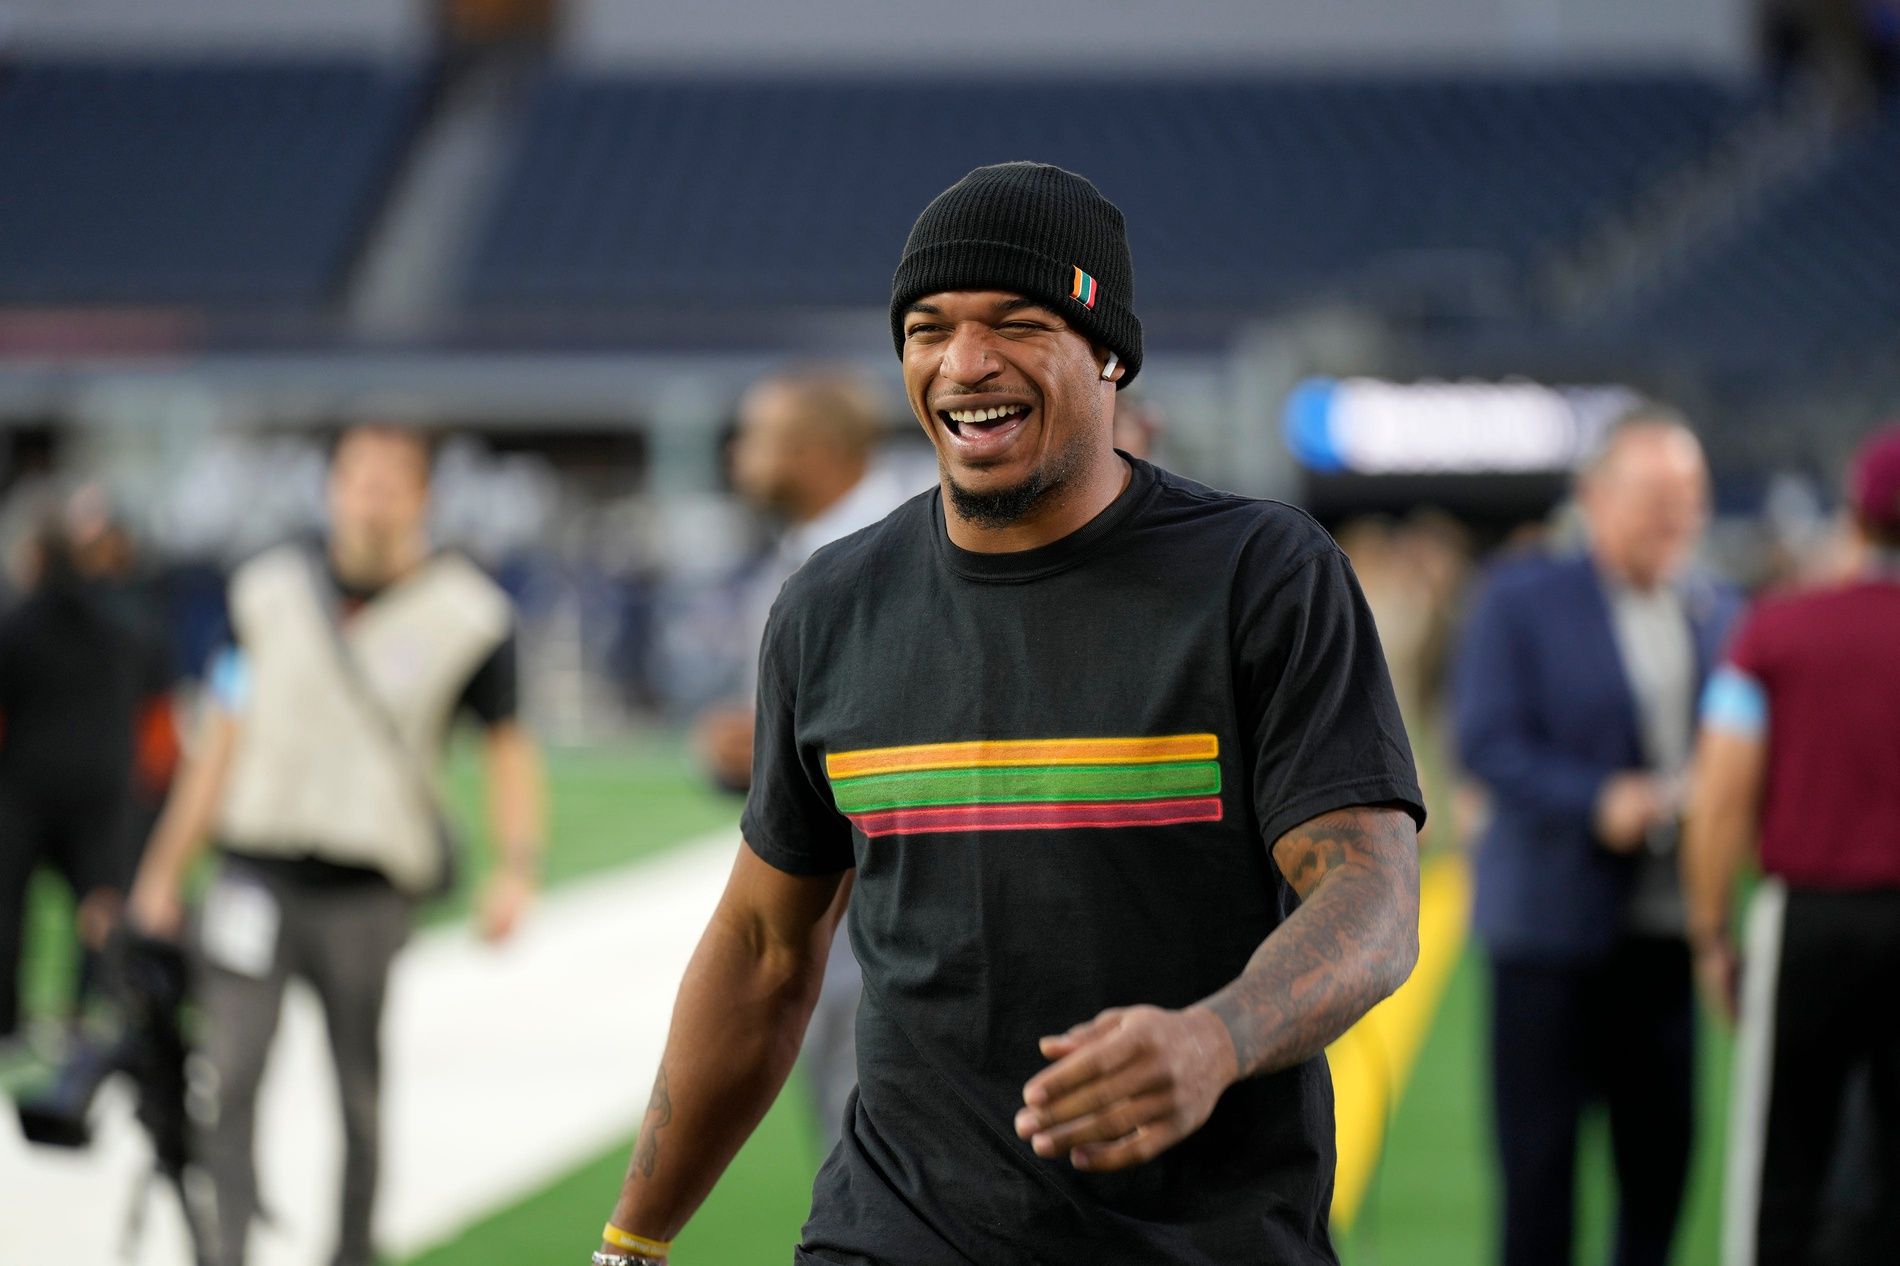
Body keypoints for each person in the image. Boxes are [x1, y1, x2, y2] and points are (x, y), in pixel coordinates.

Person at [591, 162, 1423, 1266]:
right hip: (892, 1233)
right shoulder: (831, 606)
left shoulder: (1262, 577)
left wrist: (1214, 1039)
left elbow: (1370, 892)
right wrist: (630, 1244)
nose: (963, 364)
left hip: (1198, 1240)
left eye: (1017, 322)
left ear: (1109, 353)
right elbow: (761, 946)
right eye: (927, 328)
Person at [128, 423, 547, 1266]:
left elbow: (507, 748)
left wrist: (514, 869)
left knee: (358, 1091)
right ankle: (224, 1252)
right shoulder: (265, 593)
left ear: (424, 495)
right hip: (255, 870)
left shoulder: (469, 614)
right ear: (330, 488)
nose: (372, 494)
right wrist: (163, 872)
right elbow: (220, 740)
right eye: (357, 476)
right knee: (232, 1074)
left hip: (366, 885)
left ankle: (353, 1253)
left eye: (393, 479)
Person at [1453, 411, 1738, 1266]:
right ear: (1596, 499)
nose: (1677, 516)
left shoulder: (1719, 606)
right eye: (1657, 496)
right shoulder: (1521, 596)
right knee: (1539, 1185)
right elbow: (1486, 742)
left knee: (1662, 1173)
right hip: (1550, 936)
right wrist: (1598, 800)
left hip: (1664, 934)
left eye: (1691, 497)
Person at [1684, 424, 1900, 1264]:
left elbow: (1722, 794)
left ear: (1854, 518)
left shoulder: (1778, 632)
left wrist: (1712, 934)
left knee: (1785, 1161)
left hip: (1809, 918)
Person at [693, 368, 918, 1157]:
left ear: (817, 451)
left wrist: (766, 747)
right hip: (833, 894)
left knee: (886, 1159)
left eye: (759, 438)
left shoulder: (899, 545)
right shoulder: (810, 549)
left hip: (895, 900)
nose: (738, 456)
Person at [0, 511, 173, 1044]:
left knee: (8, 910)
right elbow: (157, 720)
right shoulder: (125, 624)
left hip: (24, 790)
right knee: (101, 909)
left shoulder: (14, 626)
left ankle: (7, 1023)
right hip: (103, 790)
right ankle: (97, 1015)